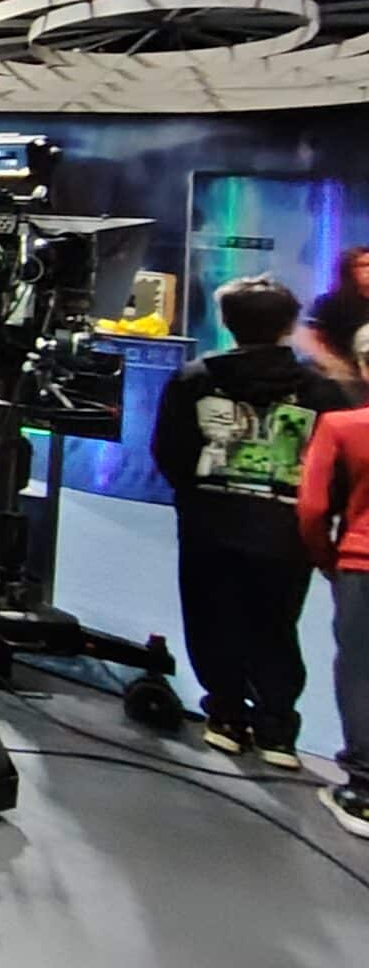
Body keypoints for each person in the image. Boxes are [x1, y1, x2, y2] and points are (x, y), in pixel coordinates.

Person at [152, 275, 347, 765]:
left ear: (226, 322)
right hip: (285, 530)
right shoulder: (320, 390)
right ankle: (276, 729)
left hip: (209, 522)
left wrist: (196, 495)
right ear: (289, 325)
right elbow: (336, 464)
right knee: (276, 623)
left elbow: (170, 450)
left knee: (211, 617)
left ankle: (226, 716)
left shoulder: (194, 378)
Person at [297, 323, 369, 839]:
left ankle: (363, 791)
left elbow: (312, 508)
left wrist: (326, 558)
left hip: (361, 564)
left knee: (362, 672)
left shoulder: (344, 426)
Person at [301, 246, 369, 397]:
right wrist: (333, 365)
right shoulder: (329, 303)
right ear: (348, 271)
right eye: (363, 265)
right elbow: (308, 338)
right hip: (344, 378)